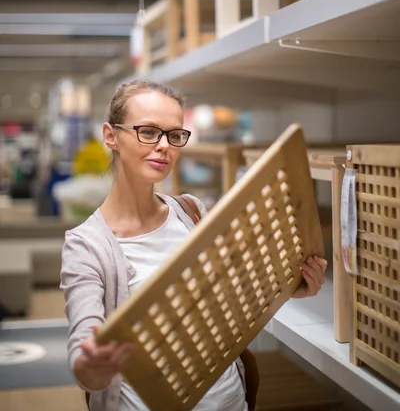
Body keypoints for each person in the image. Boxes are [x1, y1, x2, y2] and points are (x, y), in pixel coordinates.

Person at [60, 80, 327, 411]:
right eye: (148, 132)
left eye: (174, 135)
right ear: (111, 135)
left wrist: (289, 287)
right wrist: (92, 366)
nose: (164, 146)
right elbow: (83, 346)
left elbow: (227, 301)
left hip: (231, 401)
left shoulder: (190, 211)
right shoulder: (86, 245)